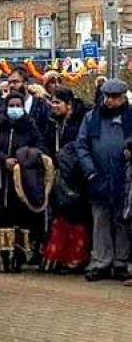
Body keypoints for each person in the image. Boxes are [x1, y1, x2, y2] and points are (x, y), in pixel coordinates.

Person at [76, 78, 132, 282]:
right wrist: (90, 171)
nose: (109, 101)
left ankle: (120, 262)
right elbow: (81, 146)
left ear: (123, 97)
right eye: (106, 96)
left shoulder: (131, 117)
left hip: (125, 179)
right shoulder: (91, 118)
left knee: (122, 221)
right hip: (98, 177)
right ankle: (101, 262)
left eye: (114, 97)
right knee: (100, 220)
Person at [0, 92, 47, 274]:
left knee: (22, 218)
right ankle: (5, 258)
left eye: (18, 105)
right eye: (11, 105)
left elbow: (40, 147)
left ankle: (19, 258)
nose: (14, 109)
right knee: (4, 218)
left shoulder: (30, 126)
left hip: (23, 181)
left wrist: (25, 158)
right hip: (1, 180)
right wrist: (3, 159)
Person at [44, 88, 92, 273]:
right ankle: (61, 258)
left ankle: (77, 258)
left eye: (57, 103)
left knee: (78, 218)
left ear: (69, 105)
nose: (53, 106)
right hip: (58, 176)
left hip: (77, 177)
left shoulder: (80, 123)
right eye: (52, 102)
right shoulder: (52, 123)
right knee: (61, 216)